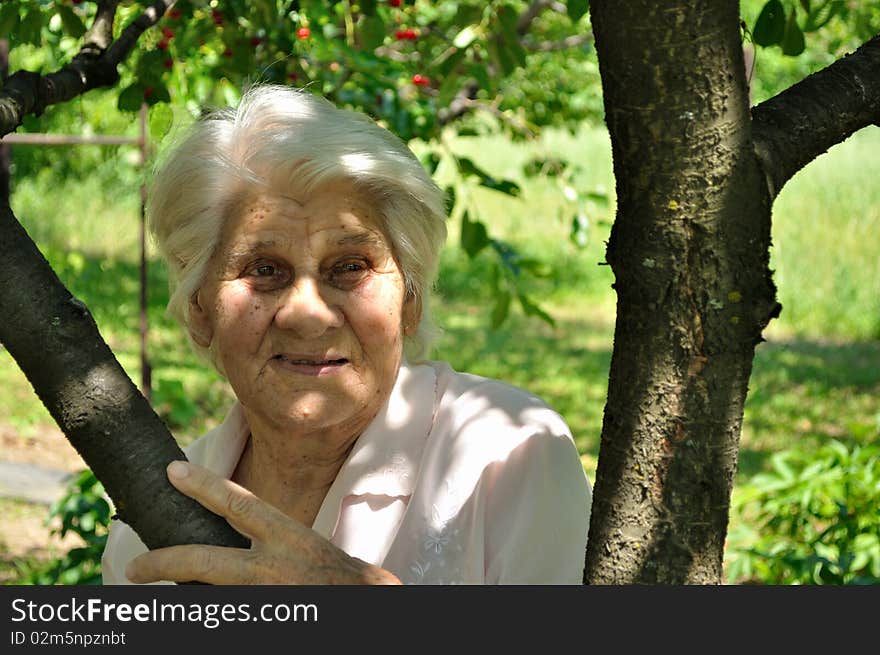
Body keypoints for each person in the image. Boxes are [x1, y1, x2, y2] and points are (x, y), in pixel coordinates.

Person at [101, 85, 592, 585]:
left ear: (411, 299)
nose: (309, 315)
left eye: (351, 267)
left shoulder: (508, 454)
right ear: (199, 306)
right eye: (264, 268)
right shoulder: (152, 534)